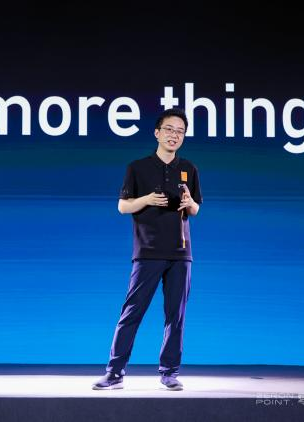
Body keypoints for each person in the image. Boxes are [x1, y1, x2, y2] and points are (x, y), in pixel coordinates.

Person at [92, 108, 202, 391]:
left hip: (181, 253)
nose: (174, 135)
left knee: (175, 316)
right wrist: (148, 199)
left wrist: (189, 202)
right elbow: (122, 206)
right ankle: (114, 372)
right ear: (157, 133)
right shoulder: (138, 167)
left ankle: (169, 372)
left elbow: (195, 209)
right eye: (169, 129)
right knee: (132, 312)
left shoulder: (189, 168)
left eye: (180, 131)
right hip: (148, 251)